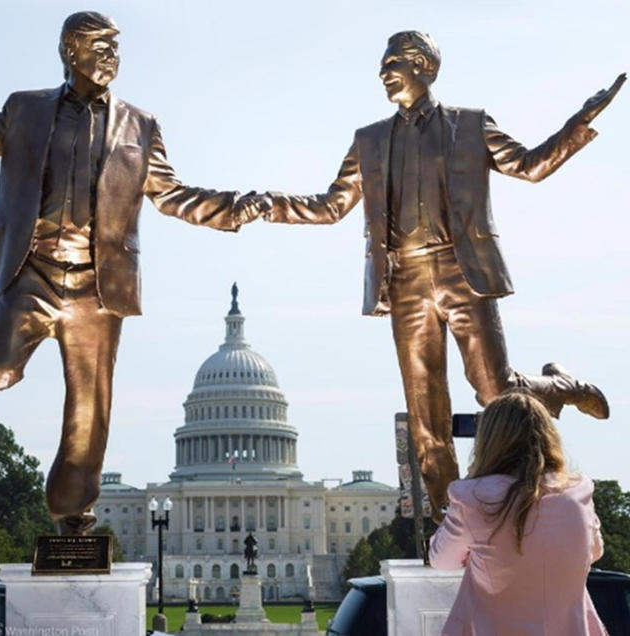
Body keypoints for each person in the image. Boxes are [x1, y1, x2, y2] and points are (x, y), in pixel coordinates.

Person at [0, 12, 261, 534]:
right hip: (33, 272)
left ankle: (72, 509)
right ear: (70, 52)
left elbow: (172, 195)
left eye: (116, 49)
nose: (111, 58)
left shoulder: (140, 125)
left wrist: (233, 208)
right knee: (4, 366)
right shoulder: (25, 109)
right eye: (101, 48)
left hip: (98, 288)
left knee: (89, 406)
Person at [242, 31, 624, 520]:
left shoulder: (469, 125)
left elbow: (530, 166)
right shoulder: (370, 140)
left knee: (495, 392)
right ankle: (453, 523)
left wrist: (580, 121)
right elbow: (330, 205)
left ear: (423, 65)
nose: (383, 74)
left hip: (462, 270)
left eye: (392, 64)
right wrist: (269, 205)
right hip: (404, 283)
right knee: (426, 417)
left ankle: (559, 388)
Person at [429, 390, 605, 634]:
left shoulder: (472, 496)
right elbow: (593, 551)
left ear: (489, 440)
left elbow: (442, 560)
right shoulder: (578, 491)